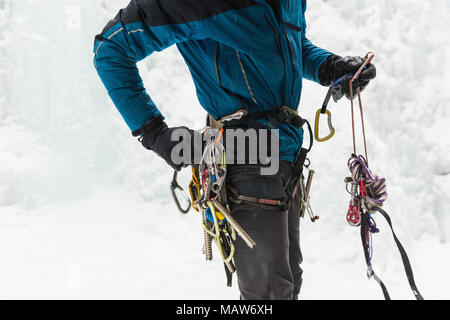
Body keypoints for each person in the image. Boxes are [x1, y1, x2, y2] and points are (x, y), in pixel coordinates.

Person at [94, 0, 376, 300]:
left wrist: (329, 67)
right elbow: (110, 48)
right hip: (242, 156)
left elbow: (289, 45)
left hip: (285, 154)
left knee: (287, 282)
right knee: (269, 292)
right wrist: (154, 134)